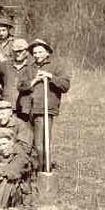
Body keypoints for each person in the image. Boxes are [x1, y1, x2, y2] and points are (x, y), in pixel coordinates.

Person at [17, 39, 71, 171]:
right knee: (28, 142)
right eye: (34, 53)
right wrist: (34, 80)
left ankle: (43, 171)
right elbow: (20, 86)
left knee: (41, 144)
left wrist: (50, 76)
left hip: (44, 110)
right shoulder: (29, 68)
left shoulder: (56, 66)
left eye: (40, 52)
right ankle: (30, 169)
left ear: (47, 53)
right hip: (27, 109)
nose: (37, 55)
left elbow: (65, 86)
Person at [0, 38, 31, 119]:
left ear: (27, 52)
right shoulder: (4, 65)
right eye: (15, 51)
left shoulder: (32, 66)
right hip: (7, 105)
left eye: (20, 51)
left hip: (25, 108)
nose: (18, 53)